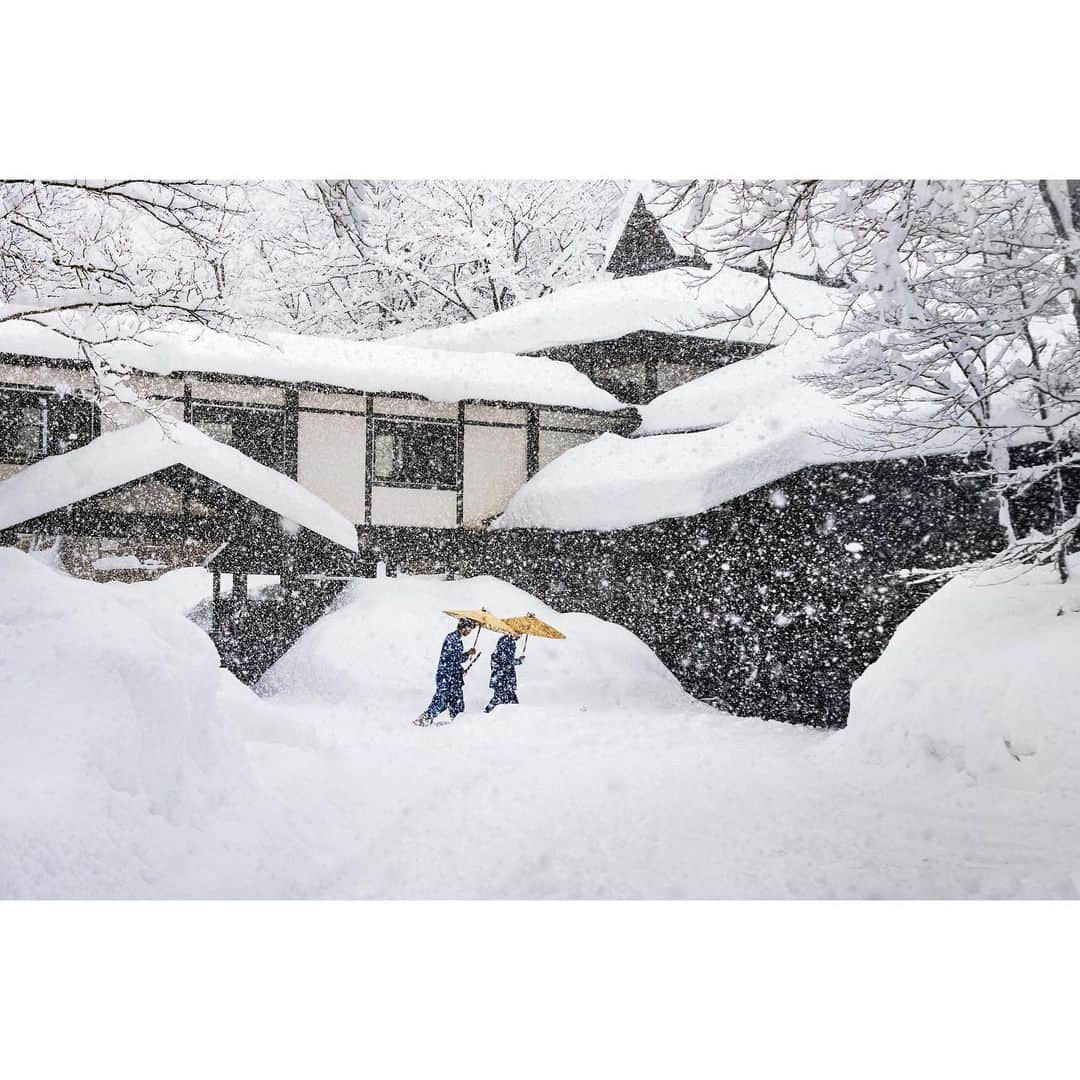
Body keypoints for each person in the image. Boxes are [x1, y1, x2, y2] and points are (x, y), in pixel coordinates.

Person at [413, 619, 478, 726]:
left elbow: (453, 660)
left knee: (456, 701)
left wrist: (461, 670)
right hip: (447, 677)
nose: (469, 632)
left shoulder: (455, 639)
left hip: (452, 677)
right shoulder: (452, 639)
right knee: (442, 699)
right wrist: (468, 654)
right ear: (463, 627)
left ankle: (458, 722)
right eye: (469, 629)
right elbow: (455, 659)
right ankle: (424, 719)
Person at [484, 631, 524, 714]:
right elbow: (504, 659)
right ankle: (485, 713)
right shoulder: (505, 641)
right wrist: (518, 661)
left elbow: (505, 659)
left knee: (510, 698)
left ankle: (514, 716)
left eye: (521, 633)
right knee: (500, 698)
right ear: (512, 631)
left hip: (505, 677)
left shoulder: (511, 642)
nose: (520, 635)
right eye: (518, 632)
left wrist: (517, 661)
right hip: (501, 677)